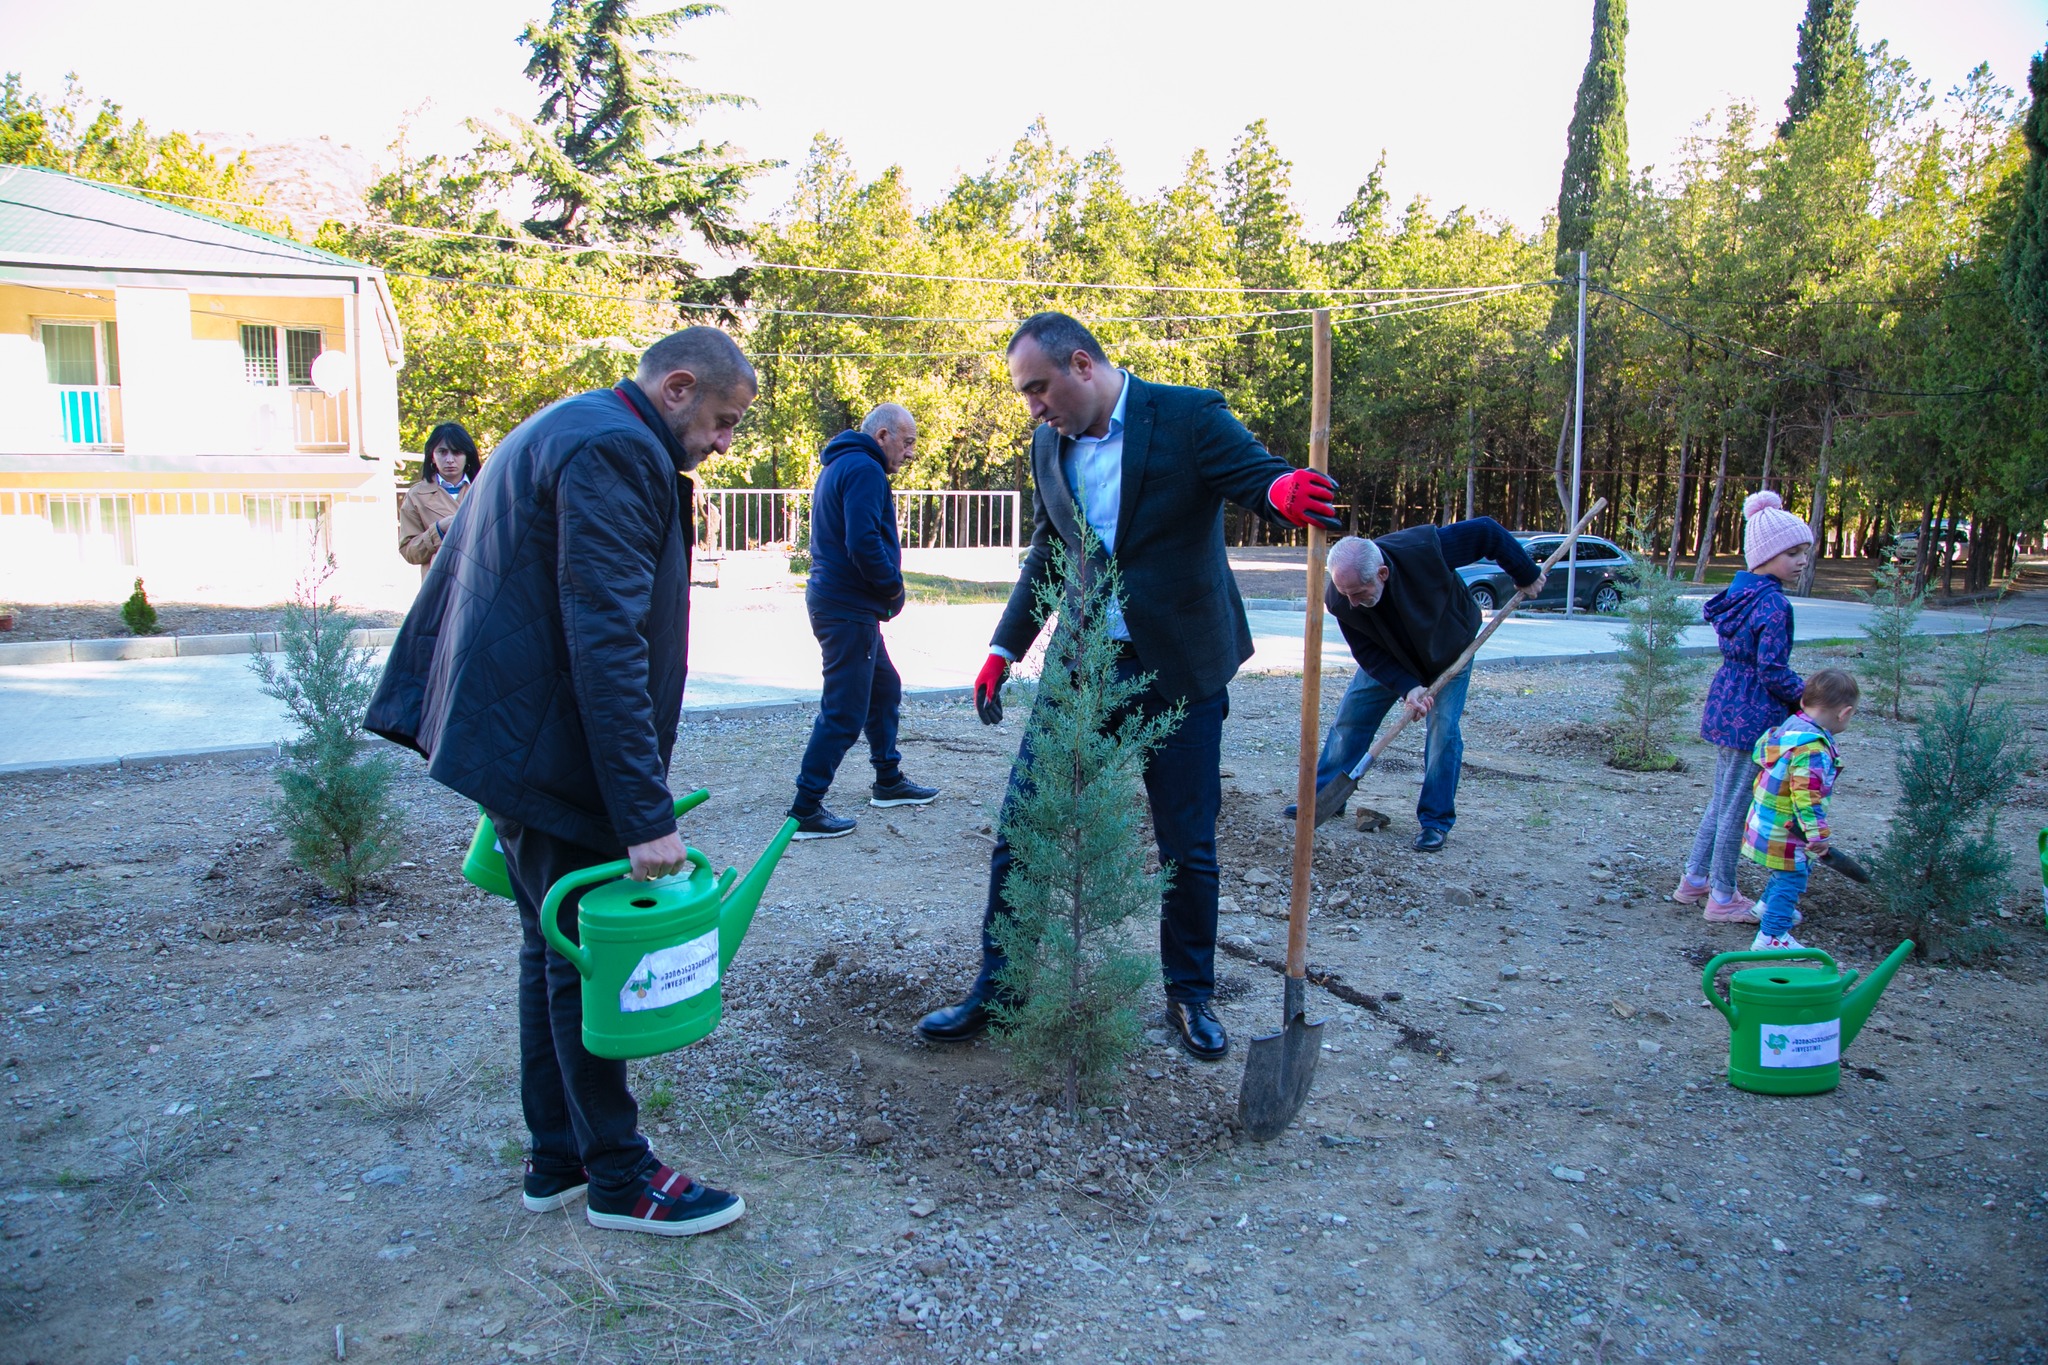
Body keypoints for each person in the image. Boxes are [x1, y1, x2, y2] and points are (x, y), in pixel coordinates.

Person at [365, 328, 758, 1238]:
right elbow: (605, 639)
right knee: (588, 958)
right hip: (548, 743)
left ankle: (560, 1156)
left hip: (519, 732)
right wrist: (643, 815)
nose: (724, 441)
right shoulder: (616, 449)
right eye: (723, 419)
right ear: (678, 387)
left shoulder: (572, 423)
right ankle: (619, 1174)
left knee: (553, 950)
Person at [915, 311, 1342, 1062]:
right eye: (1024, 394)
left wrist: (1281, 490)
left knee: (1187, 844)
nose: (1033, 407)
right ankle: (1003, 987)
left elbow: (1255, 473)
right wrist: (1005, 648)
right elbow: (1049, 551)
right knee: (1025, 827)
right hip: (1083, 667)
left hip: (1180, 666)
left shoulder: (1187, 416)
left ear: (1082, 365)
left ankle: (1190, 995)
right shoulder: (1048, 445)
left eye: (1038, 388)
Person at [1297, 524, 1545, 852]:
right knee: (1351, 719)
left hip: (1449, 651)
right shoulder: (1341, 599)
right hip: (1389, 655)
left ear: (1382, 573)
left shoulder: (1424, 550)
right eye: (1345, 594)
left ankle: (1435, 820)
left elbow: (1487, 532)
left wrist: (1526, 573)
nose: (1352, 603)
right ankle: (1325, 797)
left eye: (1358, 592)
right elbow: (1366, 652)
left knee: (1443, 730)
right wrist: (1407, 687)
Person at [786, 402, 939, 838]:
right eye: (906, 442)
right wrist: (892, 587)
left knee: (884, 687)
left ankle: (888, 780)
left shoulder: (842, 463)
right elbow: (863, 541)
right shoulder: (865, 469)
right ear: (882, 435)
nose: (910, 453)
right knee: (845, 710)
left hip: (842, 604)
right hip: (846, 608)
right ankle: (805, 809)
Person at [1672, 491, 1812, 924]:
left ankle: (1694, 879)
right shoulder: (1775, 604)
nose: (1802, 561)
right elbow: (1773, 670)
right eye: (1792, 553)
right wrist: (1808, 699)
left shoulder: (1740, 593)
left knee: (1722, 799)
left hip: (1726, 703)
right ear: (1766, 555)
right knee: (1736, 806)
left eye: (1804, 552)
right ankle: (1722, 895)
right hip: (1755, 714)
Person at [1741, 668, 1859, 951]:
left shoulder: (1789, 730)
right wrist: (1817, 835)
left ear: (1804, 701)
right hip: (1787, 828)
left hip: (1764, 821)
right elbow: (1806, 798)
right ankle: (1772, 936)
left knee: (1790, 870)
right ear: (1844, 713)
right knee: (1792, 876)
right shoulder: (1812, 749)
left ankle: (1767, 907)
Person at [396, 422, 481, 578]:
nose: (450, 459)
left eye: (457, 452)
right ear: (432, 457)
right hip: (441, 584)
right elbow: (409, 552)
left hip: (482, 580)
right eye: (442, 452)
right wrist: (438, 530)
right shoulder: (417, 496)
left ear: (467, 456)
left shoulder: (485, 490)